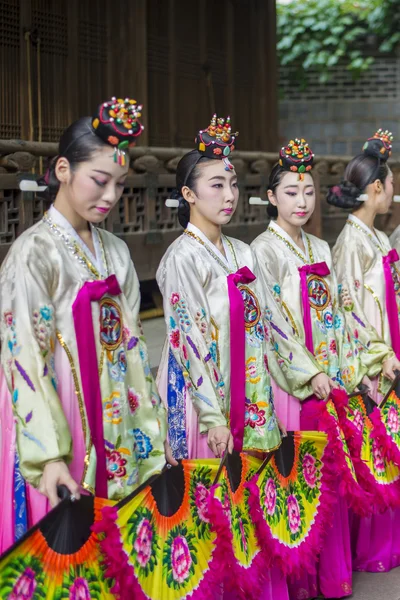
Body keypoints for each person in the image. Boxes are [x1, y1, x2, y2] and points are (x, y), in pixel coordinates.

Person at [156, 115, 330, 600]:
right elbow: (187, 341)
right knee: (209, 507)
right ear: (189, 194)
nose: (228, 194)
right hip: (201, 400)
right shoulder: (181, 258)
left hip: (248, 390)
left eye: (232, 183)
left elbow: (270, 323)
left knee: (247, 503)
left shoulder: (240, 253)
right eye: (216, 184)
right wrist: (211, 415)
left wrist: (307, 371)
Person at [0, 97, 175, 554]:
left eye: (119, 184)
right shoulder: (33, 252)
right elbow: (24, 355)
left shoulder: (115, 250)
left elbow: (134, 341)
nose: (111, 196)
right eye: (99, 181)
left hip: (121, 405)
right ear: (62, 169)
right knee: (72, 541)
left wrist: (156, 428)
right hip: (63, 405)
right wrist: (48, 455)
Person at [328, 129, 400, 573]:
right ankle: (374, 549)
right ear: (376, 188)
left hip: (390, 349)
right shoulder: (351, 242)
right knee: (375, 454)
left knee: (392, 449)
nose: (393, 192)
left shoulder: (379, 237)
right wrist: (378, 357)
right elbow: (346, 311)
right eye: (391, 184)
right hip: (372, 361)